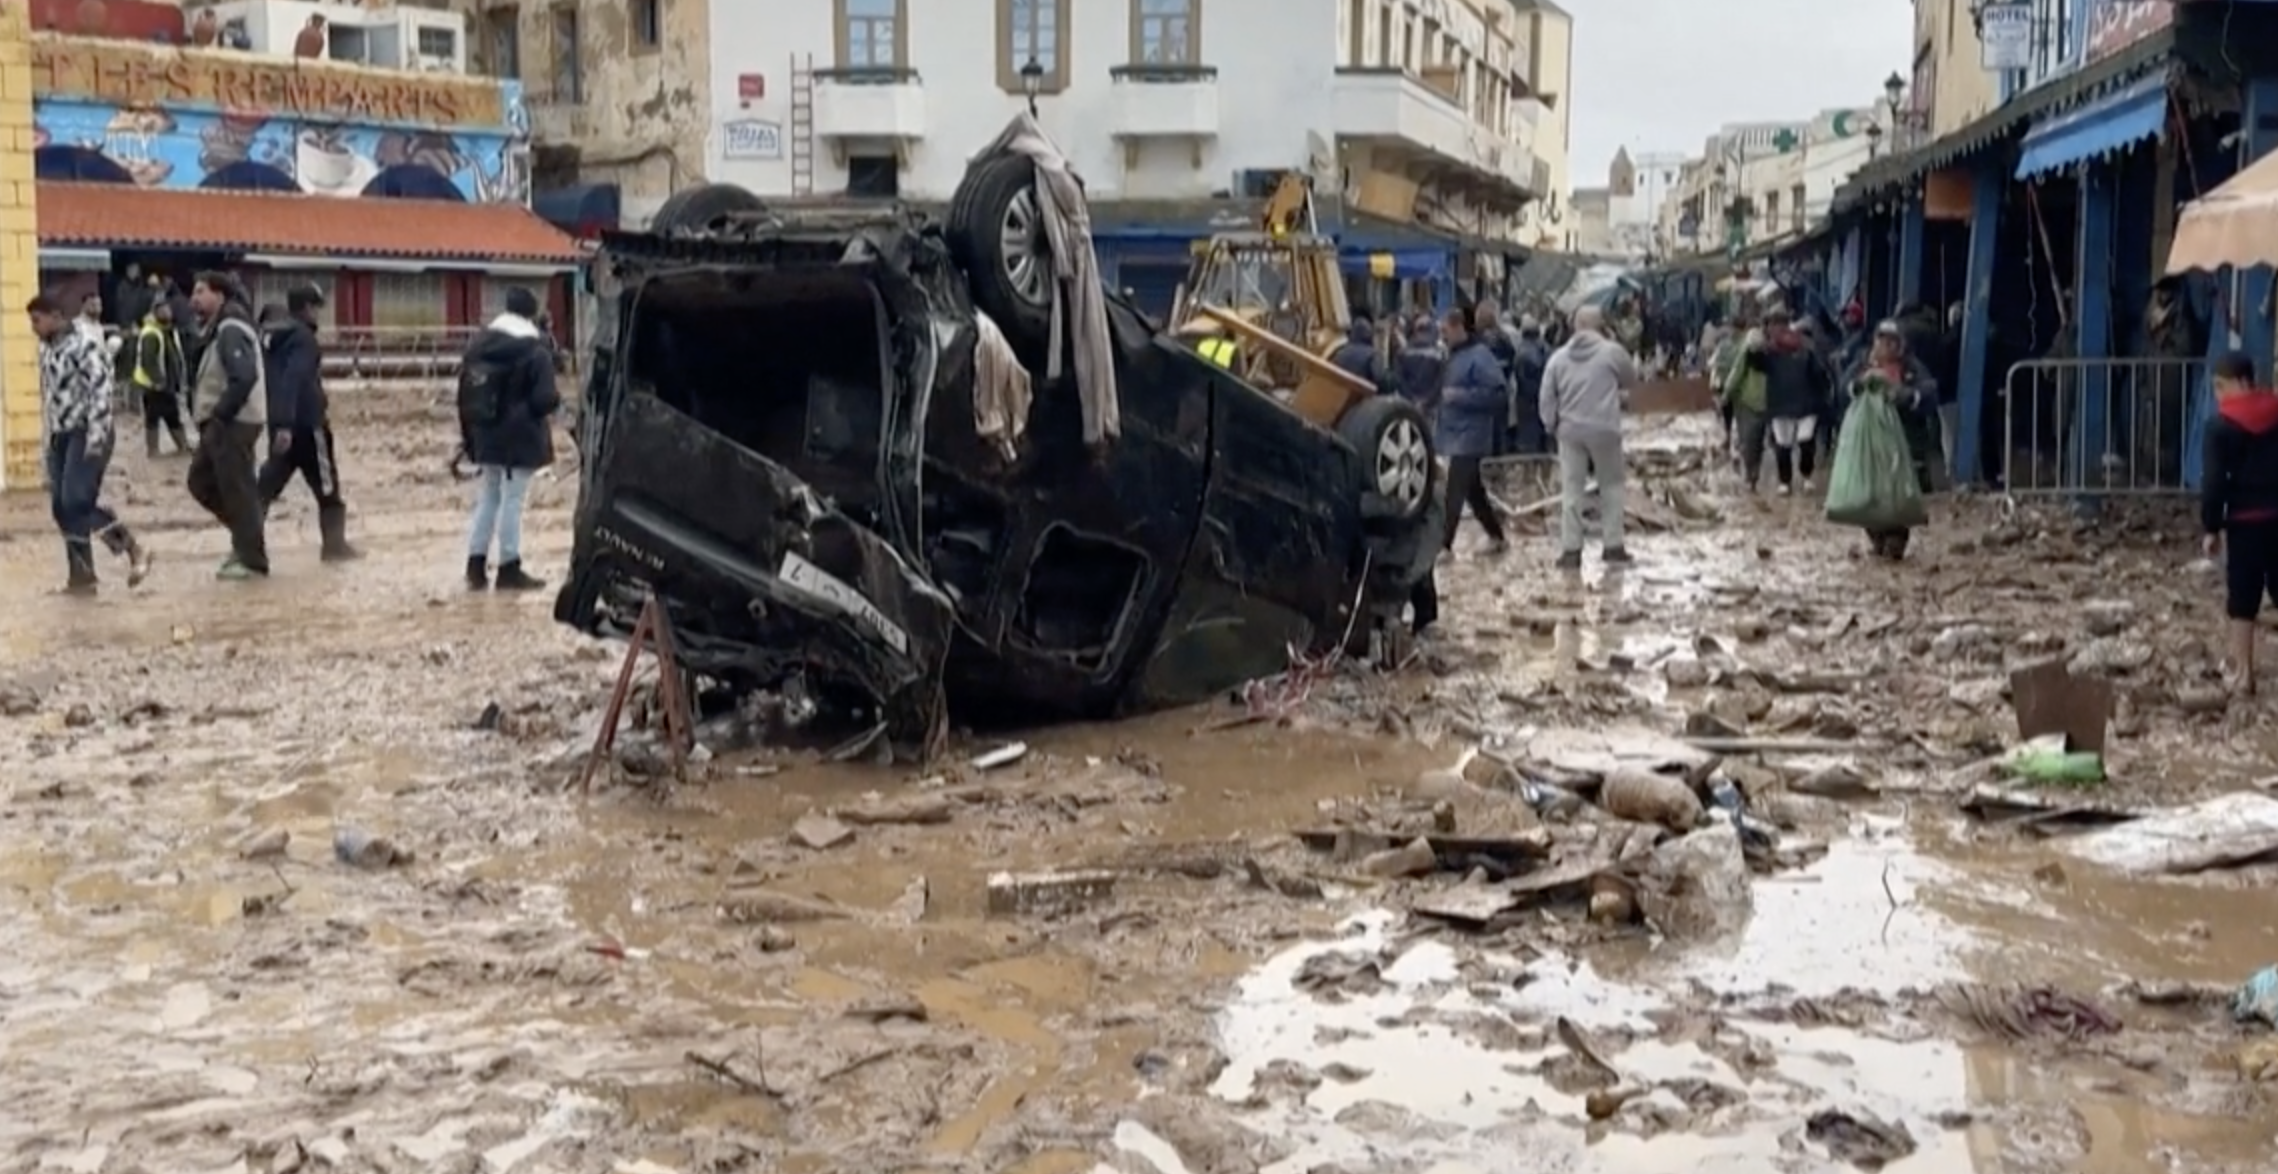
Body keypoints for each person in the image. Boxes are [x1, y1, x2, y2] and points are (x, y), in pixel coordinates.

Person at [29, 294, 151, 594]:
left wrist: (96, 438)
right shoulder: (46, 350)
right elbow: (51, 401)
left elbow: (100, 392)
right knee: (61, 506)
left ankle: (133, 549)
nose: (34, 328)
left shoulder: (84, 346)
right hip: (61, 435)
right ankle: (81, 576)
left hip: (88, 430)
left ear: (56, 316)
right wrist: (49, 445)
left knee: (77, 500)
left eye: (37, 320)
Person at [458, 287, 561, 591]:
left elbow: (464, 390)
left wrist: (469, 436)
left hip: (485, 431)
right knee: (513, 501)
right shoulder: (534, 350)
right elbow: (545, 399)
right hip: (519, 436)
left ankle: (475, 566)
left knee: (488, 496)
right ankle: (509, 567)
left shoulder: (478, 345)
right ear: (531, 314)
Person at [258, 286, 360, 561]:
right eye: (316, 308)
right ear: (306, 308)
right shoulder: (303, 339)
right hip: (307, 424)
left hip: (281, 424)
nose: (318, 314)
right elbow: (295, 379)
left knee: (266, 486)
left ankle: (246, 544)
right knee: (327, 487)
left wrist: (280, 424)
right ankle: (335, 547)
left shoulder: (271, 339)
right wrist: (290, 422)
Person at [2200, 351, 2278, 695]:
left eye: (2220, 386)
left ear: (2241, 382)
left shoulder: (2220, 427)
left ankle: (2242, 674)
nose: (2218, 395)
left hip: (2245, 521)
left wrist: (2211, 526)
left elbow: (2214, 481)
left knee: (2243, 598)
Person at [184, 271, 270, 580]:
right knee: (201, 482)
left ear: (220, 296)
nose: (194, 298)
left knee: (237, 488)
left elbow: (244, 376)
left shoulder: (231, 329)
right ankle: (247, 538)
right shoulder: (215, 330)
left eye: (200, 291)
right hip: (221, 422)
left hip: (234, 422)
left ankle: (252, 559)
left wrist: (221, 414)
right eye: (193, 293)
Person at [1541, 304, 1637, 569]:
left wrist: (1551, 425)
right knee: (1611, 487)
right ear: (1600, 326)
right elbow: (1631, 377)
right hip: (1605, 428)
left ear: (1574, 326)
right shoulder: (1611, 352)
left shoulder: (1558, 358)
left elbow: (1547, 396)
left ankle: (1571, 551)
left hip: (1570, 432)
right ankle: (1613, 547)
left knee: (1571, 491)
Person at [1845, 321, 1939, 560]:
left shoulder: (1912, 368)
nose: (1886, 346)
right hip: (1870, 445)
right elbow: (1843, 387)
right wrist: (1860, 384)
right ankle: (1877, 536)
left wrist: (1905, 396)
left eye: (1892, 341)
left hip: (1904, 443)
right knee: (1870, 493)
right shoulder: (1862, 364)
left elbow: (1928, 392)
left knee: (1898, 493)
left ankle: (1896, 538)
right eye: (1882, 340)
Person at [1434, 307, 1508, 555]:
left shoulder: (1480, 356)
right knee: (1473, 491)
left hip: (1471, 435)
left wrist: (1461, 397)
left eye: (1445, 331)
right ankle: (1496, 536)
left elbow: (1499, 394)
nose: (1443, 336)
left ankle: (1443, 544)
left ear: (1459, 328)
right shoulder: (1453, 356)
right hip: (1455, 433)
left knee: (1454, 489)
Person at [1746, 306, 1833, 495]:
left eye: (1779, 324)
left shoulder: (1805, 347)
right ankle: (1785, 482)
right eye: (1771, 324)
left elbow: (1818, 372)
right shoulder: (1768, 350)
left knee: (1805, 441)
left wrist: (1823, 395)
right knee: (1783, 445)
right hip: (1780, 404)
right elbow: (1756, 365)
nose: (1775, 328)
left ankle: (1806, 476)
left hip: (1806, 402)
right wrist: (1752, 350)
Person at [130, 299, 191, 457]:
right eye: (162, 310)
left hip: (166, 382)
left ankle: (180, 446)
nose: (167, 313)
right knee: (157, 416)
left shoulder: (168, 330)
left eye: (168, 309)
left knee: (170, 415)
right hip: (154, 384)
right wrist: (158, 380)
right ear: (155, 313)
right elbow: (148, 360)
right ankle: (157, 449)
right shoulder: (151, 332)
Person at [1509, 317, 1552, 455]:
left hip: (1528, 404)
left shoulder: (1521, 353)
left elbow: (1522, 380)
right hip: (1546, 399)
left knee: (1529, 443)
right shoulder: (1548, 350)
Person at [1394, 317, 1445, 408]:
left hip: (1408, 404)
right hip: (1431, 406)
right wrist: (1428, 401)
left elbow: (1399, 379)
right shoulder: (1439, 354)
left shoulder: (1403, 353)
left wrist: (1411, 398)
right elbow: (1441, 381)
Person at [1328, 318, 1379, 386]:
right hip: (1360, 392)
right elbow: (1379, 378)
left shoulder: (1340, 351)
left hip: (1336, 390)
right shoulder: (1373, 354)